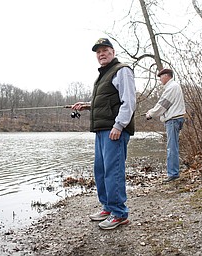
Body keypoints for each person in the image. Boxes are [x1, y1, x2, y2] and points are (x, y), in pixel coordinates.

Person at [72, 38, 136, 230]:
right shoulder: (103, 75)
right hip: (101, 130)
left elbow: (129, 101)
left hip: (114, 130)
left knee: (113, 171)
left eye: (105, 50)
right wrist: (87, 105)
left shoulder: (122, 70)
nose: (101, 54)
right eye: (98, 52)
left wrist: (119, 125)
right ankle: (108, 207)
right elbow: (107, 101)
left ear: (113, 52)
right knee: (101, 171)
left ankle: (119, 213)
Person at [146, 68, 186, 183]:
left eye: (161, 77)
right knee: (173, 146)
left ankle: (173, 174)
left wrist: (151, 114)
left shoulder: (171, 87)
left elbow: (163, 105)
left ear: (167, 76)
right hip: (175, 119)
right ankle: (174, 172)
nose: (160, 79)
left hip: (173, 120)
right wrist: (152, 111)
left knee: (171, 147)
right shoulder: (173, 86)